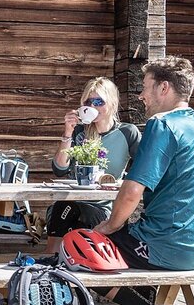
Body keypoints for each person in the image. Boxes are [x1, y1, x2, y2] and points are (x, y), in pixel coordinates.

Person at [90, 56, 194, 305]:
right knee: (123, 242)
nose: (141, 95)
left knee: (82, 249)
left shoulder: (161, 124)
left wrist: (109, 226)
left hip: (169, 246)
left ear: (164, 88)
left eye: (146, 88)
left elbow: (132, 190)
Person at [49, 77, 140, 235]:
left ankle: (56, 258)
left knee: (66, 210)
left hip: (105, 207)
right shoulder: (79, 132)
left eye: (98, 102)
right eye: (88, 102)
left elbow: (144, 168)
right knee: (63, 209)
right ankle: (54, 258)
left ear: (111, 103)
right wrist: (68, 133)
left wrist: (123, 182)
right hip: (73, 200)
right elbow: (60, 169)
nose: (92, 106)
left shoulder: (127, 132)